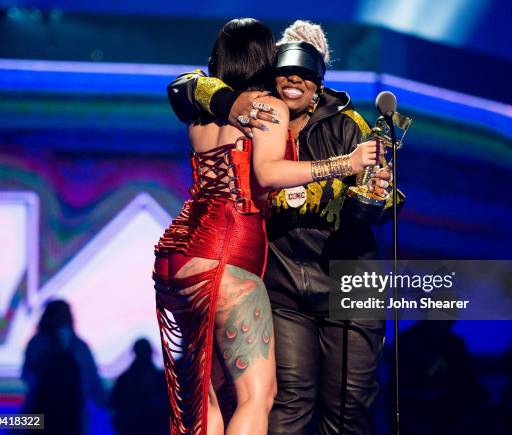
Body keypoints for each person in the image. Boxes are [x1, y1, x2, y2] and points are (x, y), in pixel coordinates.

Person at [153, 18, 380, 435]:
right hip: (228, 254)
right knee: (257, 397)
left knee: (209, 395)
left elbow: (184, 87)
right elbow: (269, 173)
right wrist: (346, 164)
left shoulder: (199, 118)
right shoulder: (266, 108)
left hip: (178, 256)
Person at [21, 299, 105, 435]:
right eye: (58, 314)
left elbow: (92, 382)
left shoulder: (80, 347)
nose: (60, 318)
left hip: (72, 413)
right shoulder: (37, 344)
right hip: (42, 410)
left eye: (64, 314)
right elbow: (28, 374)